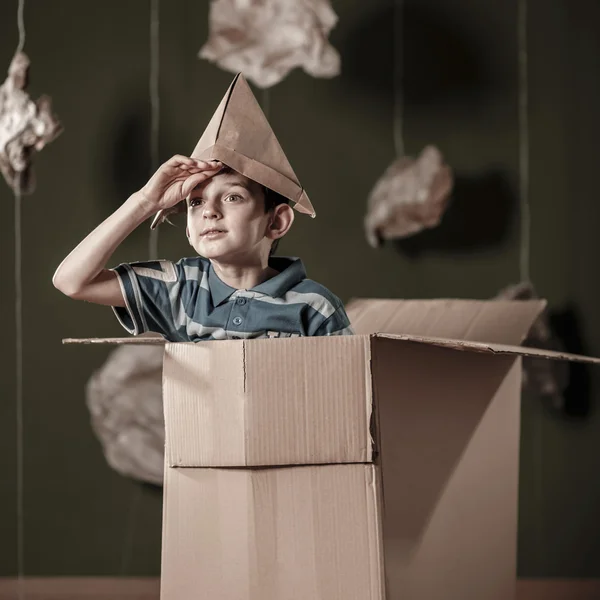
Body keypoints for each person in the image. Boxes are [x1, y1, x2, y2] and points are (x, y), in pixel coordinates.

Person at [52, 74, 353, 341]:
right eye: (196, 202)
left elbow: (343, 389)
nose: (209, 211)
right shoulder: (179, 289)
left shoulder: (314, 307)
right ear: (188, 230)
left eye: (232, 197)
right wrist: (145, 201)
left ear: (276, 222)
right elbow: (72, 281)